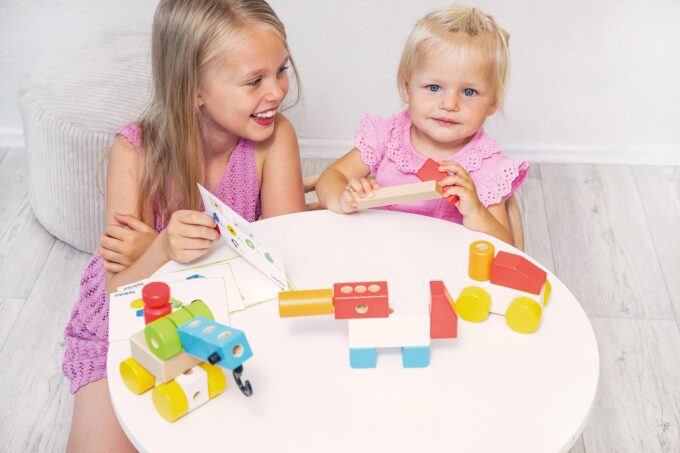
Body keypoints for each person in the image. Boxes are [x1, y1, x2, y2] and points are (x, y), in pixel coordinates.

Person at [62, 0, 305, 450]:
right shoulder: (134, 153)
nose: (277, 92)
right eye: (254, 81)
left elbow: (286, 262)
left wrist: (158, 248)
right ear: (193, 88)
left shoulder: (275, 139)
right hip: (130, 323)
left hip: (227, 313)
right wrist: (161, 249)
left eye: (281, 70)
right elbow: (119, 290)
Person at [315, 5, 529, 245]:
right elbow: (330, 178)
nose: (449, 104)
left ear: (492, 103)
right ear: (407, 88)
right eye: (434, 87)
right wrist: (343, 198)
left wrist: (476, 212)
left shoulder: (487, 166)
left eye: (469, 92)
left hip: (444, 265)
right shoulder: (388, 135)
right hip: (374, 253)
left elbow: (506, 246)